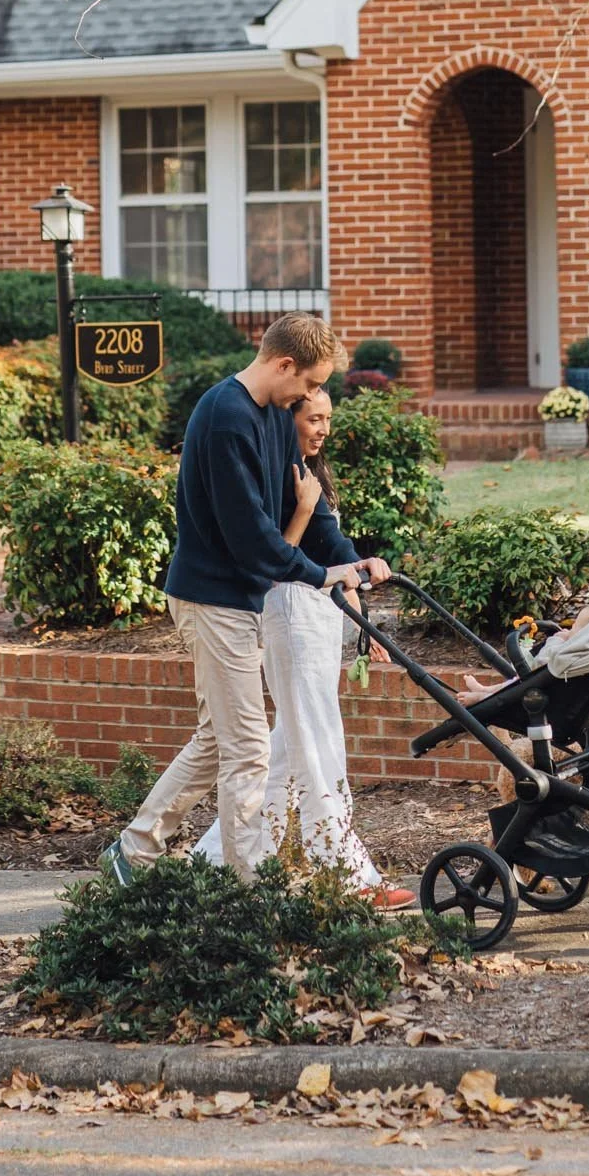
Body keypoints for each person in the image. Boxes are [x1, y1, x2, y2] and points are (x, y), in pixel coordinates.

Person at [102, 313, 381, 884]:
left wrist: (349, 559)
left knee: (220, 736)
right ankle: (247, 888)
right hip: (212, 600)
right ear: (283, 365)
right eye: (308, 384)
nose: (310, 398)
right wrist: (319, 575)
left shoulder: (275, 416)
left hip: (239, 598)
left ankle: (133, 851)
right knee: (249, 747)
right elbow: (253, 540)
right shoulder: (225, 417)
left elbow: (302, 500)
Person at [194, 384, 415, 907]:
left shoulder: (307, 469)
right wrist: (325, 539)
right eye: (313, 417)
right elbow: (273, 555)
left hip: (316, 616)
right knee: (318, 741)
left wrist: (358, 570)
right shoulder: (277, 468)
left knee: (290, 749)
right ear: (287, 415)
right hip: (289, 612)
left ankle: (211, 862)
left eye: (328, 419)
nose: (322, 429)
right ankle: (346, 873)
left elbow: (329, 542)